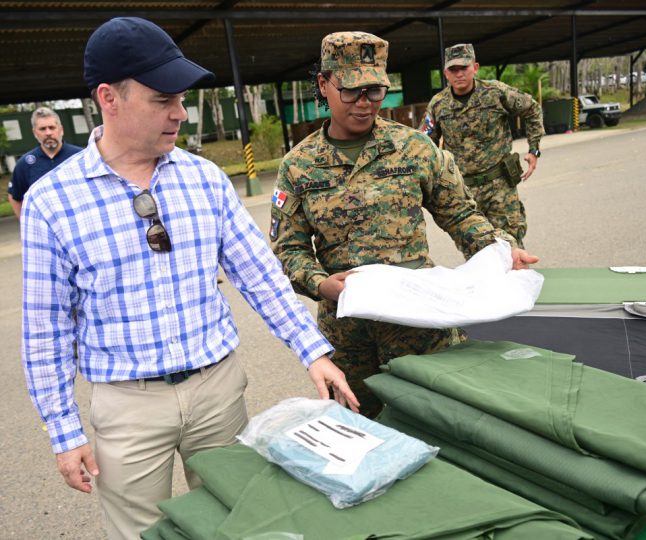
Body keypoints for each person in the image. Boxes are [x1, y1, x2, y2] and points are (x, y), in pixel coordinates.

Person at [21, 17, 358, 540]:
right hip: (128, 406)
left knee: (233, 520)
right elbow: (45, 330)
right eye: (162, 100)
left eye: (181, 99)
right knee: (142, 534)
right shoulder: (51, 201)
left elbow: (260, 274)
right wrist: (64, 432)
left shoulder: (204, 179)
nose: (181, 113)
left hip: (217, 391)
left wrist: (314, 352)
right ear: (109, 98)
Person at [270, 31, 538, 418]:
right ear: (323, 84)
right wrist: (320, 284)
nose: (364, 104)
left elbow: (460, 213)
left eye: (375, 92)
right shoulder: (299, 165)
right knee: (364, 427)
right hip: (349, 332)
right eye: (351, 91)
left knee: (443, 418)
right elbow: (289, 249)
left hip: (420, 321)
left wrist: (497, 247)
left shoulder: (414, 148)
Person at [419, 43, 546, 248]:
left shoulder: (496, 92)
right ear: (446, 73)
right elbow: (426, 145)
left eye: (464, 67)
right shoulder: (438, 104)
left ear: (475, 67)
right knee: (475, 250)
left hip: (500, 186)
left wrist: (534, 149)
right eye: (453, 69)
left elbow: (532, 110)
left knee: (510, 247)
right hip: (465, 192)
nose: (459, 74)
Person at [7, 107, 81, 218]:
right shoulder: (25, 164)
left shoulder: (80, 156)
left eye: (52, 127)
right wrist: (26, 224)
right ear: (35, 132)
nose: (48, 133)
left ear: (61, 130)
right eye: (42, 129)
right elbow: (15, 197)